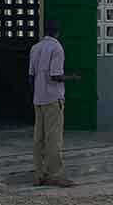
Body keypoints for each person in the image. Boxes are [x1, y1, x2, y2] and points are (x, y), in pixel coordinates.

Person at [28, 20, 83, 187]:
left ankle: (39, 174)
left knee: (39, 138)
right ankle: (55, 175)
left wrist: (37, 93)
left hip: (38, 99)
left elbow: (31, 76)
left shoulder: (35, 48)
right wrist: (72, 78)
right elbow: (55, 76)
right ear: (57, 32)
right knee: (54, 138)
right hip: (53, 99)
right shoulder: (56, 48)